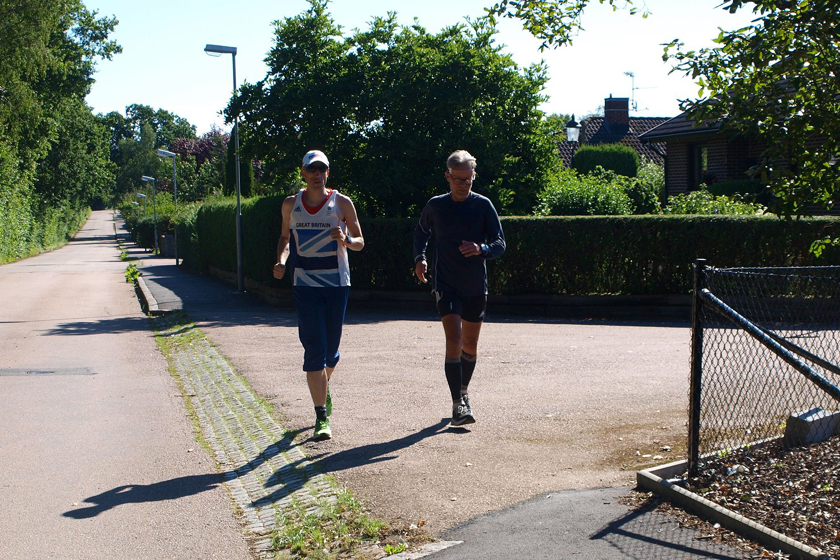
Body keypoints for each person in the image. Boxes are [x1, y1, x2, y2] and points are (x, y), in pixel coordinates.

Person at [273, 150, 364, 440]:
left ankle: (323, 389)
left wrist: (347, 239)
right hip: (305, 285)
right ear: (303, 173)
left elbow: (360, 242)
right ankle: (321, 417)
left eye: (322, 170)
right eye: (312, 170)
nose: (317, 175)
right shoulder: (291, 204)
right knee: (314, 349)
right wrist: (282, 260)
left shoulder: (342, 203)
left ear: (328, 173)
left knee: (331, 352)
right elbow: (285, 239)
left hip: (337, 284)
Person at [413, 150, 505, 426]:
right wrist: (420, 258)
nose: (464, 185)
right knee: (453, 340)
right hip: (446, 283)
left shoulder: (483, 205)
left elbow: (500, 243)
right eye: (458, 179)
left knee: (470, 344)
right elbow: (421, 232)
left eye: (468, 179)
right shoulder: (436, 206)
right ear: (448, 177)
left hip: (475, 285)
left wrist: (482, 248)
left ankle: (464, 392)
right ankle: (458, 404)